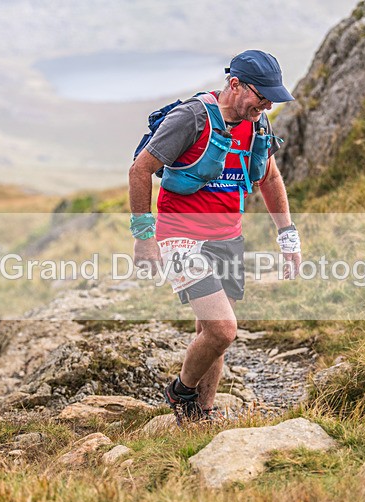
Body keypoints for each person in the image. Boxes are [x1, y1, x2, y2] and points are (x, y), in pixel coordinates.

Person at [128, 50, 302, 425]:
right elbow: (140, 170)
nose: (268, 104)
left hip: (228, 237)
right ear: (235, 84)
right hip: (180, 238)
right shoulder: (190, 117)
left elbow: (269, 178)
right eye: (262, 95)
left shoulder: (257, 125)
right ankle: (180, 391)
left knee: (210, 333)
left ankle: (199, 416)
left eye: (273, 97)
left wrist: (288, 236)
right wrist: (144, 237)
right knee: (224, 330)